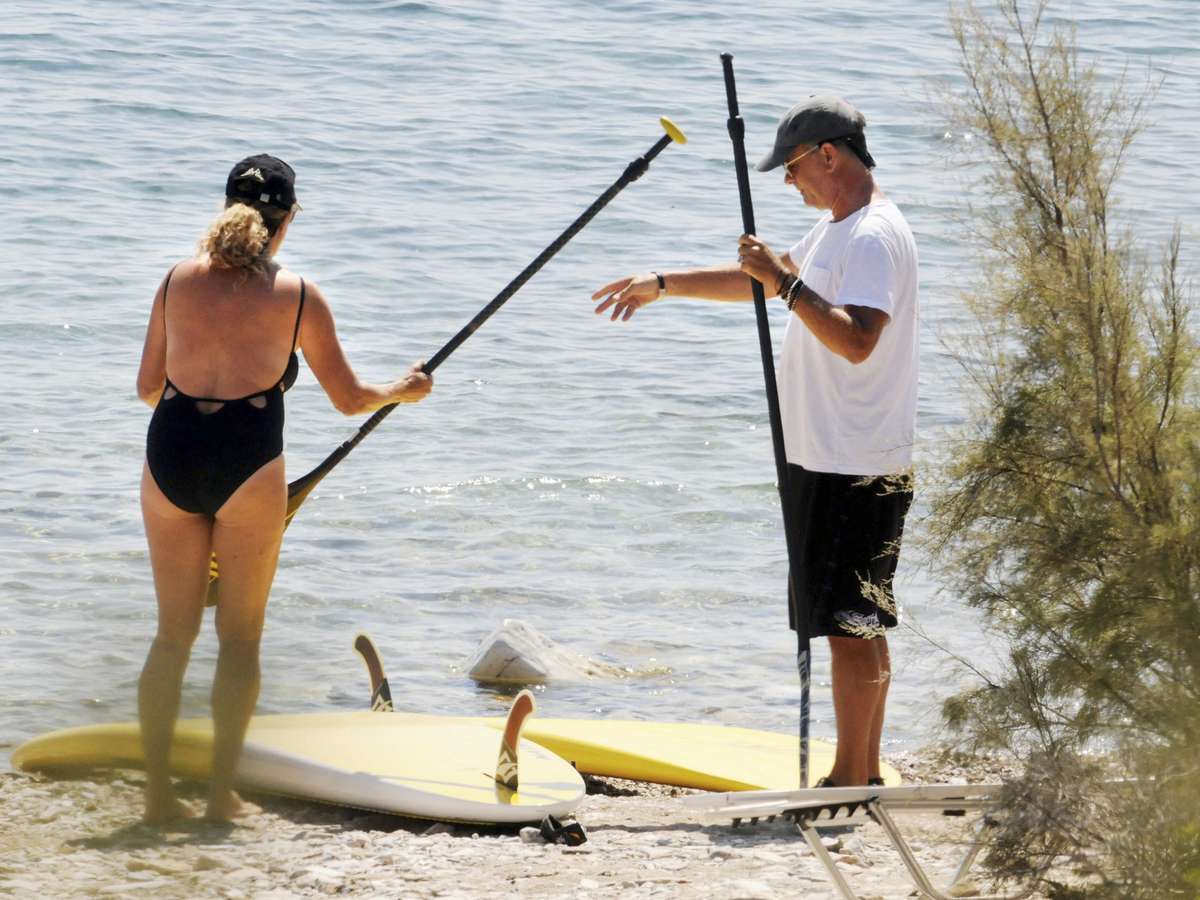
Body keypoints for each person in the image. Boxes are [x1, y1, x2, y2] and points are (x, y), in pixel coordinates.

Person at [591, 96, 917, 787]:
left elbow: (858, 339)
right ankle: (859, 772)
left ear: (828, 155)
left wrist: (786, 282)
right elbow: (763, 284)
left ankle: (850, 777)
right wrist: (664, 284)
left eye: (792, 168)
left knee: (852, 625)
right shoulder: (837, 227)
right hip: (827, 456)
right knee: (853, 621)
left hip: (854, 461)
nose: (788, 182)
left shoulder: (871, 235)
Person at [134, 154, 432, 823]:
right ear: (288, 219)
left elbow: (149, 387)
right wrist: (403, 391)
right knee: (240, 639)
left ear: (226, 207)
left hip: (171, 456)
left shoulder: (175, 280)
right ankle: (220, 797)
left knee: (171, 637)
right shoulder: (298, 296)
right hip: (248, 465)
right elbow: (350, 399)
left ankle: (156, 798)